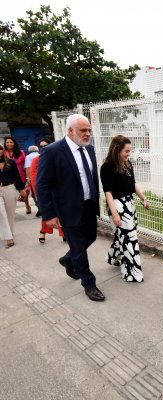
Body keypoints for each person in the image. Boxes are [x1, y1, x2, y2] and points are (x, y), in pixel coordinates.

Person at [36, 114, 105, 302]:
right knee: (78, 248)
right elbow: (41, 185)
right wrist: (48, 215)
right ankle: (89, 284)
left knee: (90, 237)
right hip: (67, 209)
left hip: (89, 205)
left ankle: (68, 259)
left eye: (89, 130)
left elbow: (91, 177)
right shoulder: (52, 151)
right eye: (83, 130)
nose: (88, 133)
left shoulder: (89, 149)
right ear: (70, 130)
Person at [100, 135, 149, 282]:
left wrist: (143, 198)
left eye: (129, 151)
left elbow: (133, 184)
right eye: (126, 151)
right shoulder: (107, 167)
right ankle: (132, 273)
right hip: (117, 206)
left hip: (129, 204)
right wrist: (114, 213)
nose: (129, 154)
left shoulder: (127, 164)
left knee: (123, 236)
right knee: (129, 239)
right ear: (117, 150)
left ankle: (113, 257)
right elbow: (107, 192)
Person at [30, 138, 64, 244]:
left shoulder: (57, 158)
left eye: (45, 145)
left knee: (61, 212)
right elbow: (34, 178)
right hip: (44, 192)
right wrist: (37, 194)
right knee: (48, 212)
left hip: (57, 190)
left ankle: (64, 233)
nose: (43, 148)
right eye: (41, 146)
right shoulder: (36, 160)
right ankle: (43, 231)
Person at [0, 144, 27, 248]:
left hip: (10, 189)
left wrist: (21, 189)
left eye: (0, 150)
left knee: (10, 214)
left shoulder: (11, 162)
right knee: (1, 213)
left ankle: (9, 232)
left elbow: (17, 176)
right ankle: (8, 237)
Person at [4, 136, 31, 214]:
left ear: (14, 143)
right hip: (9, 177)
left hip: (20, 175)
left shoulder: (21, 152)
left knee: (24, 193)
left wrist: (27, 176)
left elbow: (25, 165)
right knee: (11, 194)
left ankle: (27, 206)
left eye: (11, 142)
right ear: (5, 144)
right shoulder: (3, 152)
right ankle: (11, 209)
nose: (9, 144)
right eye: (7, 142)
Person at [24, 145, 40, 213]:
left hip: (34, 178)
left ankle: (40, 208)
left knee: (34, 193)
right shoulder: (40, 155)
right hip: (42, 177)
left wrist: (28, 178)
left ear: (29, 151)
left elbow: (28, 168)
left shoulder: (28, 157)